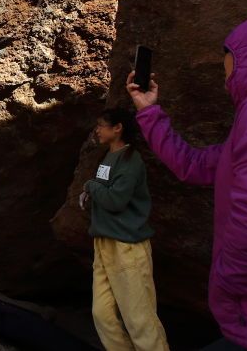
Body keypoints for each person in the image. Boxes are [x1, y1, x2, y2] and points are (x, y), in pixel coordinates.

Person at [127, 9, 247, 350]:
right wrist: (149, 111)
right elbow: (196, 166)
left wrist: (229, 283)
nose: (225, 72)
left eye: (228, 59)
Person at [80, 108, 169, 351]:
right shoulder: (107, 157)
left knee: (139, 319)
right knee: (103, 315)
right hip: (104, 243)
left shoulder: (131, 159)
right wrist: (91, 192)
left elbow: (116, 200)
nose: (97, 130)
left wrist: (90, 186)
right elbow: (104, 191)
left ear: (117, 128)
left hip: (127, 246)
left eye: (101, 125)